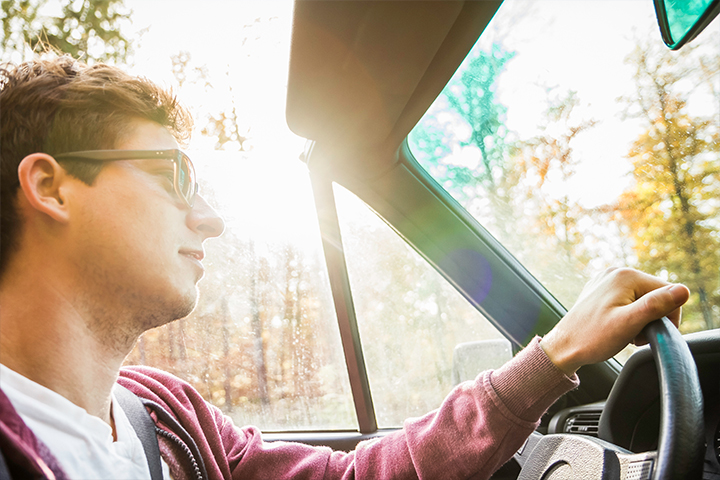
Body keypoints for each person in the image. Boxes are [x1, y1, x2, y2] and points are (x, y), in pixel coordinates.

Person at [0, 55, 690, 480]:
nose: (207, 217)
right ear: (51, 187)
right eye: (174, 174)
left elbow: (360, 476)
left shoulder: (168, 416)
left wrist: (558, 351)